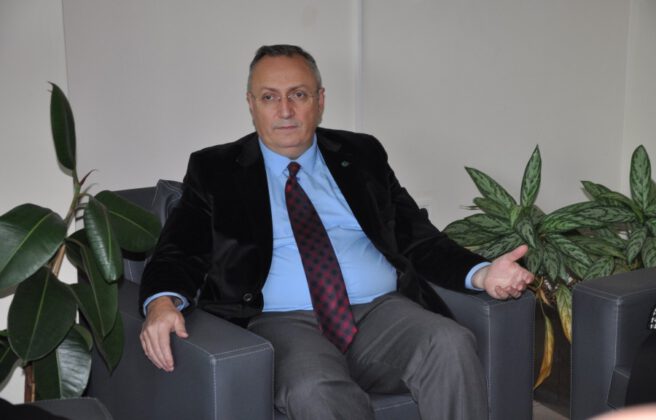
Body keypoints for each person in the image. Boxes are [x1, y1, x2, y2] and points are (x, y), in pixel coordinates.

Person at [139, 44, 534, 420]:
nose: (285, 110)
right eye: (270, 97)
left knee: (449, 343)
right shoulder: (216, 170)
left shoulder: (362, 155)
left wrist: (483, 273)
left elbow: (417, 236)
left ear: (320, 100)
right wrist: (161, 303)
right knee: (314, 388)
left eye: (298, 94)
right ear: (251, 104)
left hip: (381, 311)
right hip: (281, 322)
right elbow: (179, 250)